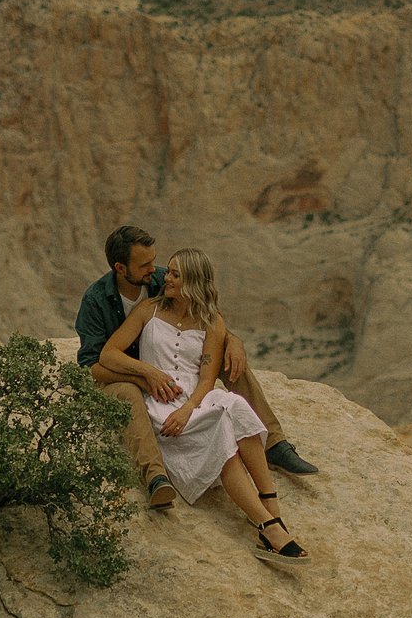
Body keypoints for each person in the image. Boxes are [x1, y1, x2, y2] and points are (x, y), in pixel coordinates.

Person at [74, 223, 318, 508]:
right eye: (145, 264)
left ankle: (274, 443)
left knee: (229, 361)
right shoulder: (95, 301)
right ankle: (156, 477)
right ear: (120, 267)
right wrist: (144, 376)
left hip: (164, 367)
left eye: (154, 261)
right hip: (121, 370)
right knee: (127, 392)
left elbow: (205, 313)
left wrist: (233, 341)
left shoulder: (162, 279)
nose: (156, 269)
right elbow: (93, 366)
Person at [98, 247, 307, 567]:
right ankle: (268, 525)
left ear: (193, 282)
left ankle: (271, 512)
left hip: (194, 401)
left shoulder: (212, 321)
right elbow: (109, 355)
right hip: (161, 407)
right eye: (168, 271)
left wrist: (188, 409)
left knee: (234, 404)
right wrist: (149, 372)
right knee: (218, 429)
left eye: (174, 274)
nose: (164, 278)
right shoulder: (147, 311)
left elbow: (208, 379)